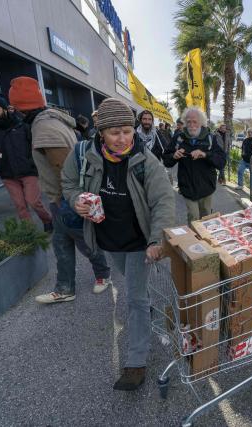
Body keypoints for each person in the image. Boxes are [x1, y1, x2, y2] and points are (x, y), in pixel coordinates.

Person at [62, 98, 175, 391]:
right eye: (115, 133)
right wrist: (76, 201)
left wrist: (156, 239)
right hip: (107, 239)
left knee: (135, 298)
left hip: (139, 241)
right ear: (101, 133)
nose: (123, 138)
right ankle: (144, 305)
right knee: (130, 282)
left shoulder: (145, 160)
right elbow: (68, 184)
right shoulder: (81, 155)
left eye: (128, 130)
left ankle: (135, 362)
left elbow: (163, 201)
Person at [8, 76, 112, 302]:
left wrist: (68, 201)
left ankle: (102, 274)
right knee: (61, 241)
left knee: (83, 239)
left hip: (65, 197)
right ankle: (65, 288)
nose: (11, 113)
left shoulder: (44, 127)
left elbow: (63, 167)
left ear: (20, 108)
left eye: (13, 108)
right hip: (62, 197)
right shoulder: (49, 121)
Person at [0, 95, 52, 231]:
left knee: (33, 201)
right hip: (7, 173)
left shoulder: (21, 125)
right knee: (20, 205)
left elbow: (34, 145)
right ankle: (30, 232)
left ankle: (47, 220)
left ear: (5, 109)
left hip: (28, 170)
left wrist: (36, 163)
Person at [163, 107, 225, 223]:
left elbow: (221, 162)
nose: (191, 125)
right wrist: (173, 156)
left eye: (194, 121)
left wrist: (205, 154)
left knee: (206, 217)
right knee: (193, 217)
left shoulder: (211, 138)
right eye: (188, 122)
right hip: (187, 187)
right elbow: (166, 160)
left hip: (206, 186)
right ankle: (194, 240)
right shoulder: (179, 138)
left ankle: (206, 239)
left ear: (201, 123)